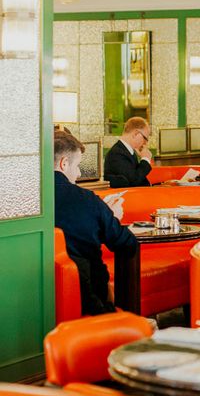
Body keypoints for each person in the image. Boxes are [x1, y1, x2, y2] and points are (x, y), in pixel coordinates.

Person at [54, 130, 138, 315]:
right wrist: (111, 216)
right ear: (64, 163)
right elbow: (127, 244)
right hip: (88, 302)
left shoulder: (25, 201)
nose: (78, 172)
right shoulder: (86, 200)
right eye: (77, 166)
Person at [104, 116, 152, 188]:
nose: (145, 143)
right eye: (145, 139)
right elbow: (134, 181)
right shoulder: (117, 154)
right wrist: (145, 159)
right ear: (136, 134)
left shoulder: (128, 151)